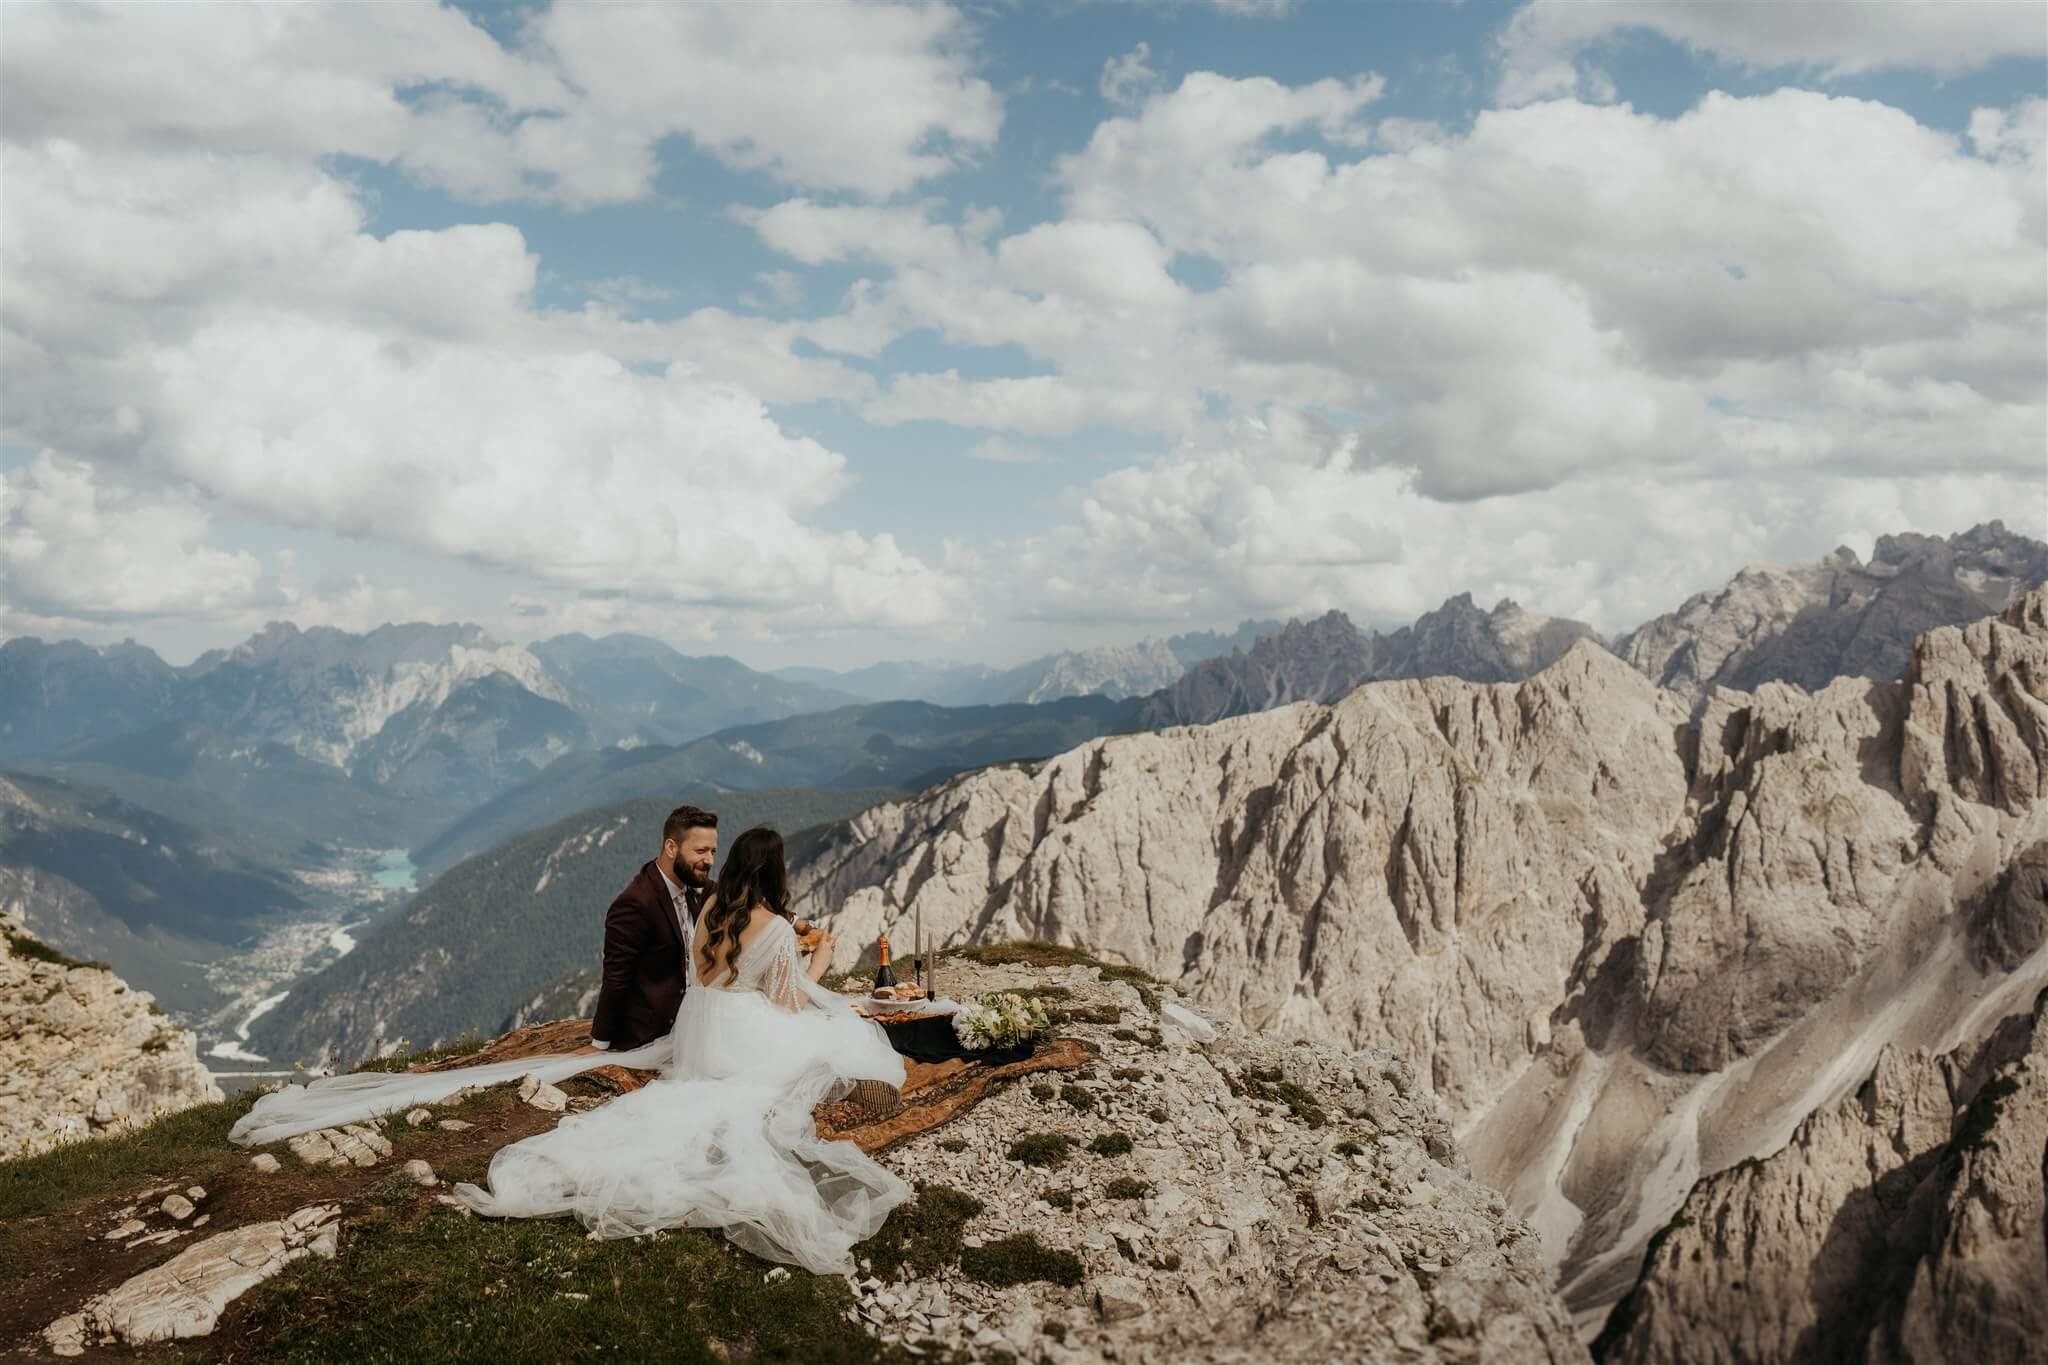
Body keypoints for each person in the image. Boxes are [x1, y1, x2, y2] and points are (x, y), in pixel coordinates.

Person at [229, 826, 909, 1276]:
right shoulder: (780, 928)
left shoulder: (706, 910)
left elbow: (705, 978)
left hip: (700, 1025)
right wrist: (822, 956)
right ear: (778, 872)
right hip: (745, 1033)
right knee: (830, 1036)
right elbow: (789, 1004)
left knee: (758, 1065)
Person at [583, 804, 718, 1054]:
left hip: (695, 1022)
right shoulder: (635, 902)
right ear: (671, 847)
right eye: (700, 850)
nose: (708, 860)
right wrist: (600, 1043)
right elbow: (616, 977)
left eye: (712, 851)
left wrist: (793, 922)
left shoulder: (695, 882)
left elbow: (742, 896)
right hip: (651, 1035)